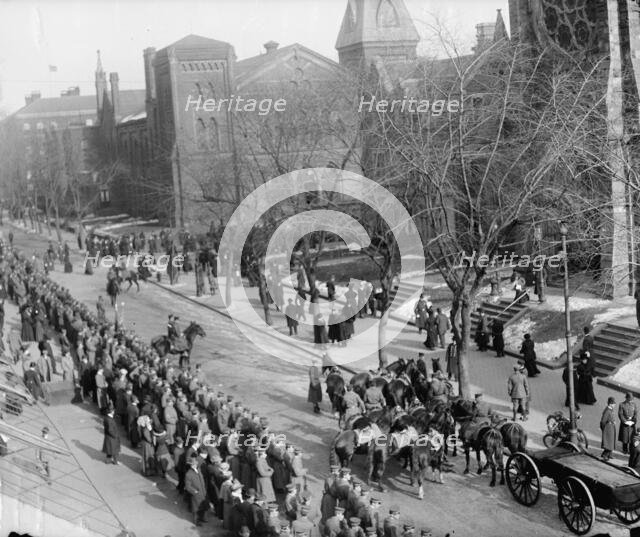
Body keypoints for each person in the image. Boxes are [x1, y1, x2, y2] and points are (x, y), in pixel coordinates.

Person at [185, 452, 209, 526]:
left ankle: (202, 518)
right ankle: (196, 521)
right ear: (191, 465)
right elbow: (188, 487)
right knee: (196, 509)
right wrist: (195, 492)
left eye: (196, 463)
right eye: (194, 464)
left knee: (203, 506)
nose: (196, 465)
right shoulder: (188, 474)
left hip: (203, 492)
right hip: (196, 494)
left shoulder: (198, 469)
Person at [600, 397, 617, 461]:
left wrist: (613, 421)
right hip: (608, 428)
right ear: (610, 404)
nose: (614, 405)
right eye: (613, 404)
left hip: (611, 427)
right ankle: (605, 455)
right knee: (608, 442)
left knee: (611, 441)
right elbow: (603, 421)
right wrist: (604, 429)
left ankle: (610, 454)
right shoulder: (607, 411)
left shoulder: (610, 409)